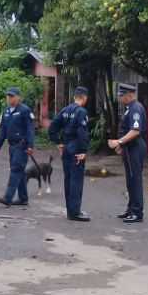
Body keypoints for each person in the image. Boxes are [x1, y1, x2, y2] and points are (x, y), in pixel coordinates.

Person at [48, 86, 91, 221]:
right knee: (76, 179)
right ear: (85, 98)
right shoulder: (82, 112)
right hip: (76, 147)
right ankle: (75, 212)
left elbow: (52, 128)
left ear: (74, 97)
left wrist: (58, 142)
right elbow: (83, 132)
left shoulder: (65, 110)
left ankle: (70, 210)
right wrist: (83, 151)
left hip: (66, 147)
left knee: (68, 178)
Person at [107, 83, 147, 223]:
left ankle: (137, 212)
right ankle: (131, 208)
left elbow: (135, 131)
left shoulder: (135, 108)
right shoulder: (129, 108)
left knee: (135, 179)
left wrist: (119, 142)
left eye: (121, 95)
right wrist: (122, 145)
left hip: (135, 148)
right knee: (130, 180)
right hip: (130, 148)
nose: (119, 98)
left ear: (129, 95)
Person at [0, 87, 35, 207]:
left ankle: (8, 197)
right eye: (8, 95)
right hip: (12, 146)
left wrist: (31, 145)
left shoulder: (24, 110)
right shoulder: (6, 111)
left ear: (18, 97)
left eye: (12, 96)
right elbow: (3, 130)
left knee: (16, 170)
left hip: (22, 146)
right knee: (19, 171)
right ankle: (23, 198)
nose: (9, 98)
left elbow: (30, 129)